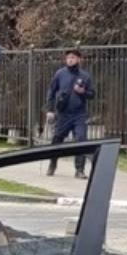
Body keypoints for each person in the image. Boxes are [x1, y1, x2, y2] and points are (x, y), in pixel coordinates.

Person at [44, 48, 95, 177]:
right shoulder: (60, 74)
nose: (70, 60)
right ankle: (52, 163)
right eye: (68, 58)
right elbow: (51, 91)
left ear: (78, 59)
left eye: (73, 57)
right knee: (57, 139)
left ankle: (79, 170)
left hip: (79, 114)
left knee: (81, 139)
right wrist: (50, 110)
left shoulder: (85, 76)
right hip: (63, 113)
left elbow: (92, 94)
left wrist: (83, 92)